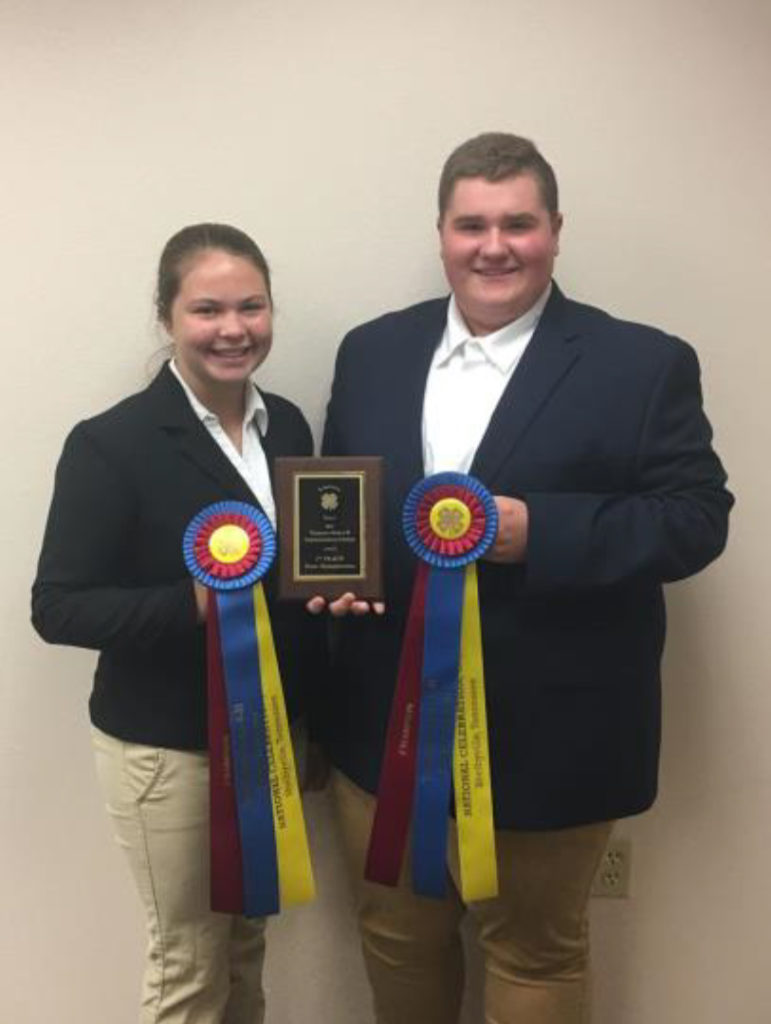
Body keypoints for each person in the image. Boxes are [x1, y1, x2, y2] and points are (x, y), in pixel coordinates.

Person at [312, 134, 733, 1024]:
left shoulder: (642, 363)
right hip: (382, 730)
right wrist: (338, 575)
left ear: (555, 231)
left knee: (537, 955)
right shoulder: (372, 351)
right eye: (471, 224)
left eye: (517, 223)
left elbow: (696, 518)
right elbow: (344, 502)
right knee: (395, 944)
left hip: (557, 732)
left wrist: (538, 530)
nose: (492, 245)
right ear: (440, 234)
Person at [32, 223, 325, 1024]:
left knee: (245, 944)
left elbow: (294, 576)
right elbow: (57, 607)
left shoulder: (289, 427)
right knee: (190, 962)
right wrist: (191, 602)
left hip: (266, 734)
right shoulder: (110, 444)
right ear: (166, 317)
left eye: (251, 307)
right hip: (168, 752)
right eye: (207, 309)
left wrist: (329, 596)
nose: (233, 329)